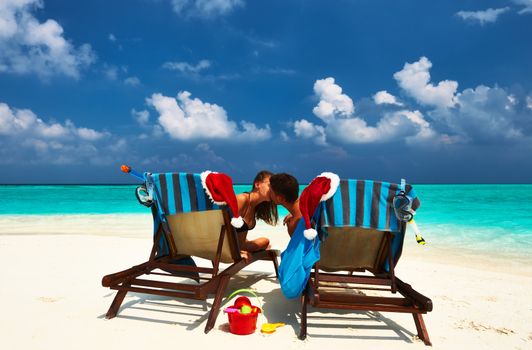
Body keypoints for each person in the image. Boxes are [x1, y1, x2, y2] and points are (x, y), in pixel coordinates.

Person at [235, 170, 278, 259]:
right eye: (270, 185)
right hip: (227, 246)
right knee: (263, 243)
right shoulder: (242, 199)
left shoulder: (254, 207)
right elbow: (225, 227)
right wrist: (238, 252)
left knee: (265, 241)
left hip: (239, 245)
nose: (272, 189)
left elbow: (239, 233)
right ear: (257, 184)